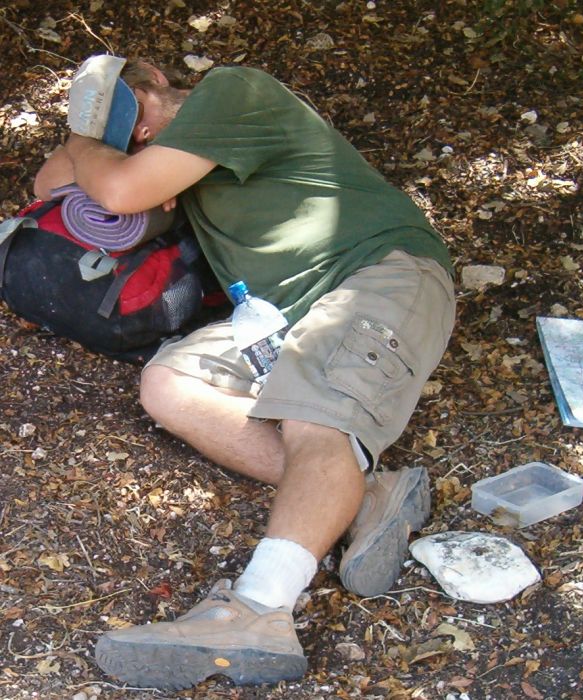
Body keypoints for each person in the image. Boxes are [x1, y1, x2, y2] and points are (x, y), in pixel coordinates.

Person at [35, 54, 456, 690]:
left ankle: (259, 610)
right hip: (283, 318)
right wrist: (92, 141)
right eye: (127, 137)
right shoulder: (178, 166)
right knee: (168, 385)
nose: (139, 138)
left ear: (152, 76)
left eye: (134, 115)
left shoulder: (232, 91)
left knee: (313, 421)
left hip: (373, 275)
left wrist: (94, 146)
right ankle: (364, 495)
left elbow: (118, 190)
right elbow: (49, 188)